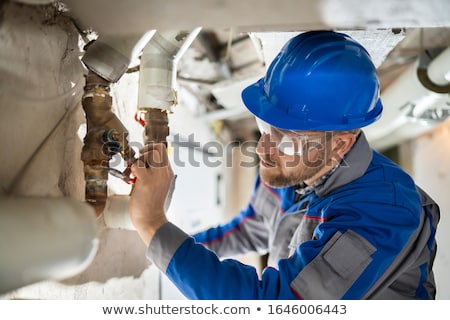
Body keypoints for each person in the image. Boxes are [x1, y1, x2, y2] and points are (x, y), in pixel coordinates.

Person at [129, 30, 440, 299]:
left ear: (341, 144)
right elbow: (249, 230)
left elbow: (276, 302)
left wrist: (152, 223)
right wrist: (165, 245)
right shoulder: (286, 171)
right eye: (264, 127)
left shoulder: (383, 211)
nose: (263, 149)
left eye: (285, 138)